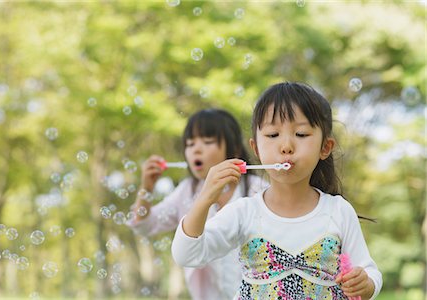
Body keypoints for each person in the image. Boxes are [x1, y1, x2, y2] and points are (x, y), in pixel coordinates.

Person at [172, 82, 382, 299]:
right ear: (256, 149)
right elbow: (187, 255)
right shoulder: (244, 211)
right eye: (273, 135)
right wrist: (204, 199)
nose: (286, 146)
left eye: (301, 134)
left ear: (325, 148)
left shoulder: (338, 210)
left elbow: (370, 272)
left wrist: (366, 284)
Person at [127, 108, 268, 300]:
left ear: (234, 149)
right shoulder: (188, 191)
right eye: (190, 143)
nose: (196, 149)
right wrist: (146, 187)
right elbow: (144, 225)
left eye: (208, 141)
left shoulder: (258, 191)